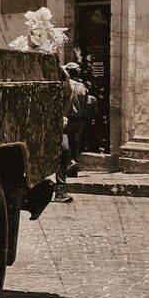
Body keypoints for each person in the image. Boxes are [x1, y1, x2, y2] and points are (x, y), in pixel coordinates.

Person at [55, 62, 88, 202]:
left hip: (63, 121)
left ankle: (60, 191)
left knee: (65, 151)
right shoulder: (80, 86)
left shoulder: (64, 84)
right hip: (73, 120)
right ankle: (60, 190)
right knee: (70, 147)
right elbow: (86, 102)